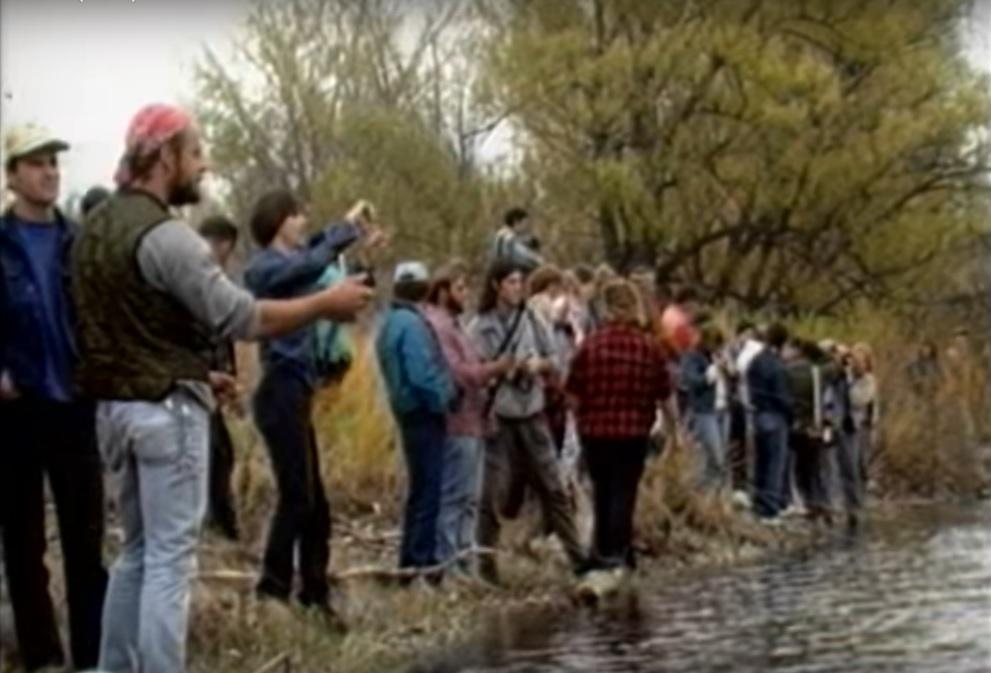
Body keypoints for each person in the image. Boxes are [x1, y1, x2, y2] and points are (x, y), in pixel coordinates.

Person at [71, 104, 373, 673]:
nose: (203, 165)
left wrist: (193, 367)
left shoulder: (92, 232)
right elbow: (242, 318)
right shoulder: (167, 237)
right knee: (168, 562)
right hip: (165, 415)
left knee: (134, 554)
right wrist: (325, 304)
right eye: (195, 152)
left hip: (113, 411)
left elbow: (126, 329)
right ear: (163, 156)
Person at [1, 123, 108, 672]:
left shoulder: (76, 241)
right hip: (17, 412)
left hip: (75, 406)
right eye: (37, 162)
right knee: (23, 547)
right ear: (12, 174)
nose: (49, 172)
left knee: (86, 543)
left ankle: (91, 659)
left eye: (54, 163)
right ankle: (43, 656)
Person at [244, 188, 376, 614]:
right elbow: (311, 263)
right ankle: (272, 589)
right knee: (296, 496)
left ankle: (315, 594)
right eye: (298, 215)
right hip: (279, 390)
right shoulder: (264, 268)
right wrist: (346, 228)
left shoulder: (293, 267)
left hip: (298, 390)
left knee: (314, 502)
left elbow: (317, 262)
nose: (303, 221)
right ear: (280, 219)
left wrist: (352, 242)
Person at [471, 261, 586, 584]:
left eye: (520, 282)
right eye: (510, 282)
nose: (517, 288)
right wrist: (500, 369)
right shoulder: (480, 326)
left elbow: (557, 361)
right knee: (491, 493)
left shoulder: (533, 319)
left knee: (554, 486)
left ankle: (578, 558)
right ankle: (486, 565)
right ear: (496, 286)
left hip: (532, 411)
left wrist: (537, 365)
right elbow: (472, 372)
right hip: (499, 415)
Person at [566, 279, 671, 571]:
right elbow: (664, 393)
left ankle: (601, 551)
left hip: (595, 432)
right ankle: (619, 553)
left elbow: (572, 392)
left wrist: (579, 423)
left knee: (601, 490)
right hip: (634, 432)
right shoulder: (648, 349)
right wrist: (672, 431)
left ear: (606, 309)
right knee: (624, 492)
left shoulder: (590, 346)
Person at [424, 261, 513, 572]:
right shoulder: (438, 325)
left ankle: (465, 563)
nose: (467, 294)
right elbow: (458, 372)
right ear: (444, 291)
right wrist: (494, 369)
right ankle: (449, 564)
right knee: (455, 498)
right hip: (457, 421)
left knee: (471, 499)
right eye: (460, 288)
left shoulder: (456, 325)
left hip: (475, 420)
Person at [376, 262, 457, 575]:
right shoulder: (411, 324)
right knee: (429, 489)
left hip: (405, 412)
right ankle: (421, 561)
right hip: (423, 413)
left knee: (418, 489)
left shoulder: (390, 322)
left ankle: (409, 559)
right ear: (425, 288)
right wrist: (446, 397)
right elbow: (422, 376)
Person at [198, 215, 242, 540]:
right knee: (215, 453)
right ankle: (220, 524)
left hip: (213, 380)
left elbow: (225, 336)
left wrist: (231, 375)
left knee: (220, 452)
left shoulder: (216, 281)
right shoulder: (195, 281)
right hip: (197, 382)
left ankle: (220, 520)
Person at [747, 323, 793, 521]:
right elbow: (782, 396)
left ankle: (758, 503)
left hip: (758, 415)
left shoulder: (755, 361)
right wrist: (792, 412)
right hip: (775, 416)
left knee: (761, 462)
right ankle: (771, 509)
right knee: (775, 463)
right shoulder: (777, 365)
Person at [784, 339, 833, 523]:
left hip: (795, 425)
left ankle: (809, 504)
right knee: (815, 466)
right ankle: (820, 504)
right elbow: (834, 364)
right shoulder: (819, 372)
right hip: (816, 425)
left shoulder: (787, 370)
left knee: (799, 468)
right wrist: (822, 351)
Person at [680, 326, 729, 491]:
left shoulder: (714, 357)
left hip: (722, 409)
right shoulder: (692, 358)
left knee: (718, 459)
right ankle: (701, 492)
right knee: (714, 456)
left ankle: (712, 495)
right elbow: (693, 381)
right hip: (704, 411)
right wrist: (712, 372)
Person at [849, 342, 879, 484]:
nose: (857, 364)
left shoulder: (869, 380)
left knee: (861, 459)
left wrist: (849, 385)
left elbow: (859, 400)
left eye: (861, 360)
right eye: (855, 360)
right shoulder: (847, 376)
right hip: (849, 424)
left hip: (863, 425)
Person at [490, 207, 543, 273]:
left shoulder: (503, 234)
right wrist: (538, 260)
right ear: (516, 222)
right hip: (505, 272)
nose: (526, 227)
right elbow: (521, 254)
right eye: (524, 223)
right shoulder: (506, 236)